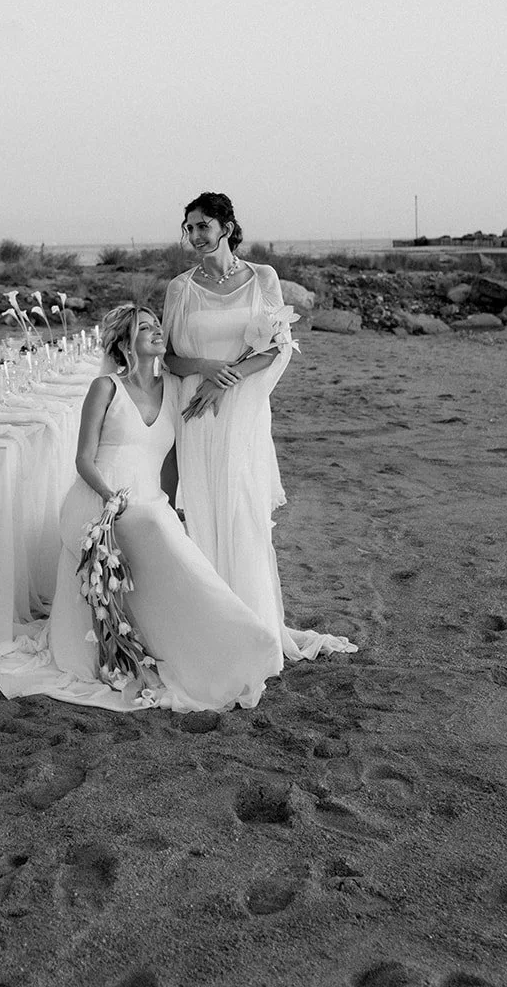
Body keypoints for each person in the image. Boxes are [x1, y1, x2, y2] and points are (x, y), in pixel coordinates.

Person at [0, 302, 284, 711]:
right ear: (125, 343)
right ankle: (235, 636)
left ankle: (233, 643)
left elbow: (169, 462)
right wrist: (111, 497)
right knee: (155, 528)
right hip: (97, 502)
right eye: (145, 327)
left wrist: (172, 508)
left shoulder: (174, 389)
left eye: (156, 325)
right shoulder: (106, 387)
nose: (156, 331)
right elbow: (83, 460)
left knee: (169, 534)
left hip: (149, 503)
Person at [162, 190, 356, 666]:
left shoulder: (263, 277)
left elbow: (277, 346)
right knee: (206, 508)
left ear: (226, 226)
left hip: (243, 410)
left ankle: (254, 622)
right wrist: (205, 368)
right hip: (198, 413)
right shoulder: (180, 288)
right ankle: (212, 622)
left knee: (243, 509)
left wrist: (227, 381)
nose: (194, 236)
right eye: (188, 228)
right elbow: (167, 355)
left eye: (203, 225)